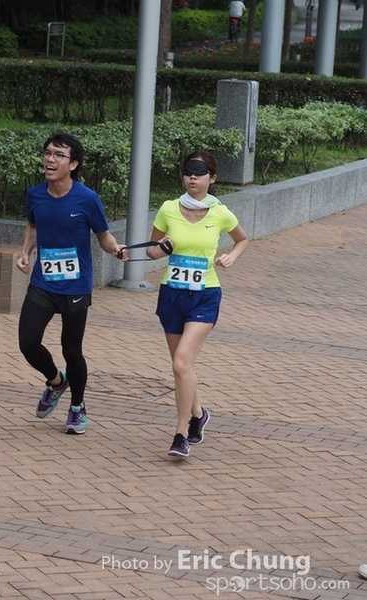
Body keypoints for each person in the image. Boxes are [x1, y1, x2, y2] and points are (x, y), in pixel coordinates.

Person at [17, 132, 126, 435]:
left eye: (58, 155)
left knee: (71, 349)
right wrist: (25, 252)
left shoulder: (87, 199)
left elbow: (103, 236)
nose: (50, 160)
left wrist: (115, 249)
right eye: (47, 153)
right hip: (43, 282)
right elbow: (32, 225)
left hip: (76, 286)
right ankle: (56, 381)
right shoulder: (35, 194)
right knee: (28, 342)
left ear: (73, 164)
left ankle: (77, 406)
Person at [146, 150, 249, 458]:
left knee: (181, 363)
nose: (192, 177)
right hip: (172, 294)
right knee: (182, 368)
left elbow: (243, 239)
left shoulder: (220, 213)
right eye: (188, 171)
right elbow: (152, 251)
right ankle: (199, 414)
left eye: (199, 172)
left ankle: (181, 435)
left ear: (211, 178)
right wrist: (163, 248)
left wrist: (232, 256)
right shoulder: (168, 208)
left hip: (205, 294)